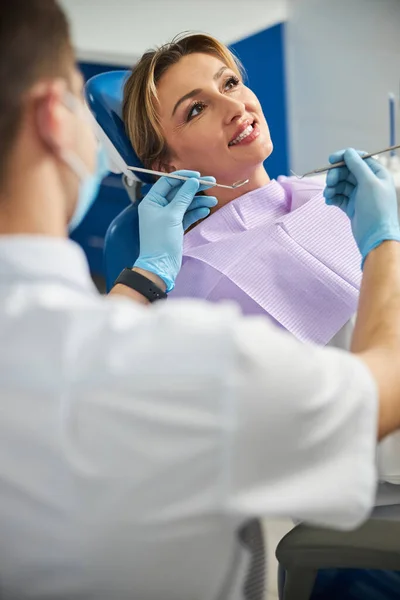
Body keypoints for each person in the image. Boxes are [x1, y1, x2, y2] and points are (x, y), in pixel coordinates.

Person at [2, 4, 400, 600]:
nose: (235, 106)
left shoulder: (314, 192)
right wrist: (385, 242)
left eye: (231, 82)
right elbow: (377, 399)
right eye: (196, 108)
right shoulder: (204, 303)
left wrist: (141, 280)